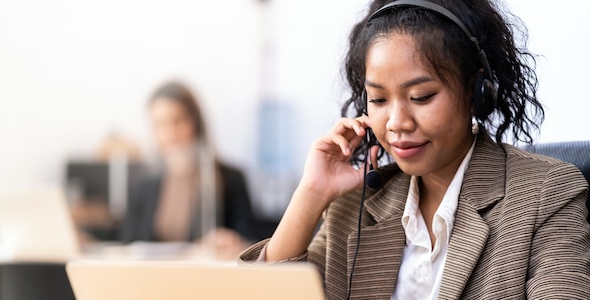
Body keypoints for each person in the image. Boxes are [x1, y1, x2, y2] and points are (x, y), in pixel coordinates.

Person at [238, 0, 590, 299]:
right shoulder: (354, 206)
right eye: (378, 99)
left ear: (477, 91)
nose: (396, 122)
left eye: (421, 97)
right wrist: (312, 193)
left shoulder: (547, 193)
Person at [121, 80, 257, 259]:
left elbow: (249, 240)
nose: (170, 133)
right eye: (160, 124)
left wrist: (231, 240)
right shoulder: (143, 186)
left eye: (178, 121)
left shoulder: (230, 179)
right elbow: (127, 244)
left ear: (195, 122)